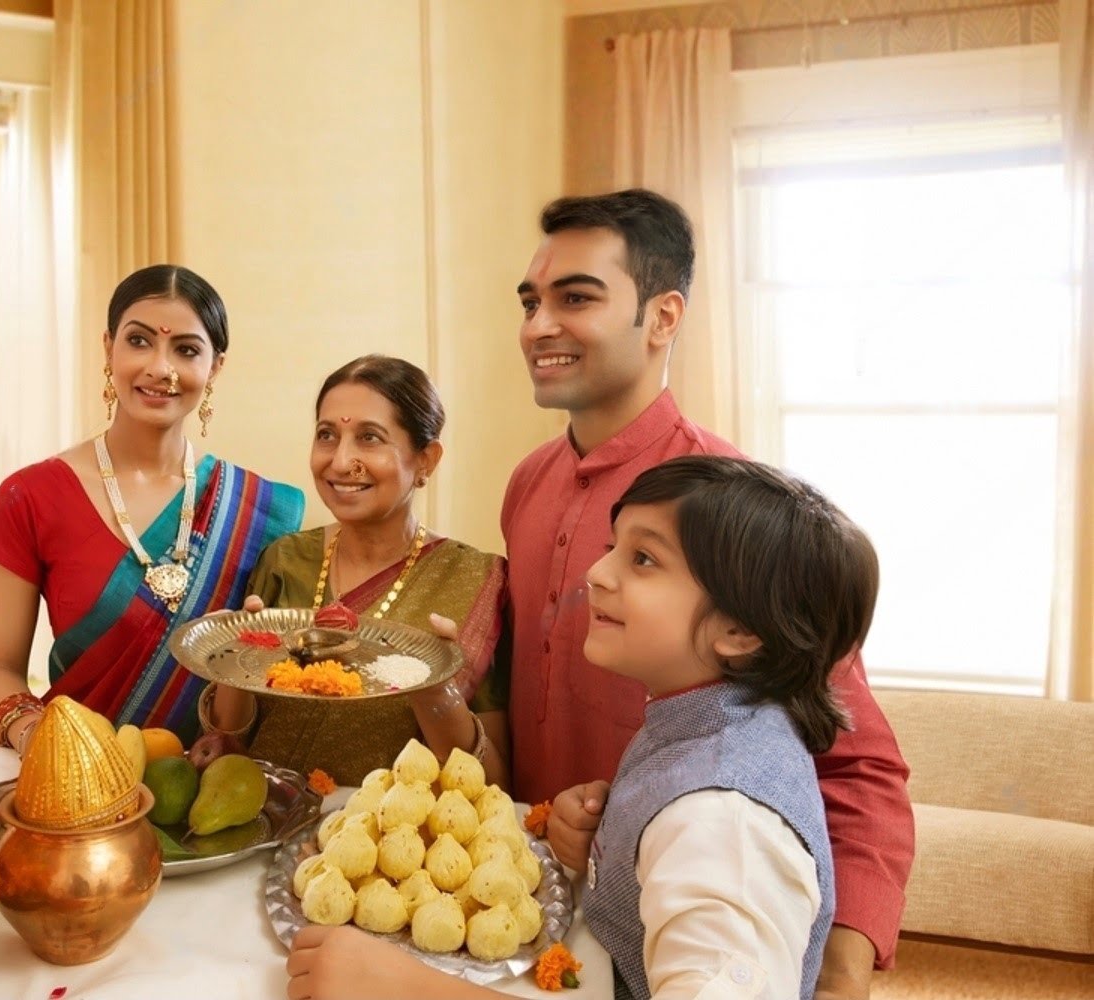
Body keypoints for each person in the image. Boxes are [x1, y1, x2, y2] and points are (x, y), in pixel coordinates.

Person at [503, 190, 912, 992]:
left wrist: (840, 966)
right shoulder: (527, 482)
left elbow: (858, 764)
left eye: (576, 298)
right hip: (546, 909)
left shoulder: (732, 523)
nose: (538, 325)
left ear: (662, 317)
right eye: (530, 301)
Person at [285, 456, 874, 1000]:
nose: (596, 572)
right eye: (613, 547)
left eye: (643, 559)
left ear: (741, 632)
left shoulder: (724, 822)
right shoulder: (703, 718)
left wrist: (402, 989)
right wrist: (611, 839)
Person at [0, 265, 304, 752]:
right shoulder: (32, 496)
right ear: (108, 347)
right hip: (76, 789)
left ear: (215, 367)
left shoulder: (258, 510)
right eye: (139, 341)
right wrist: (35, 737)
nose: (161, 368)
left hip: (213, 789)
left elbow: (272, 685)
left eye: (186, 350)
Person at [209, 355, 507, 786]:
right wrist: (234, 660)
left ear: (426, 459)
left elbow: (492, 780)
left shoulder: (474, 579)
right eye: (327, 435)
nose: (341, 460)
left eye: (369, 438)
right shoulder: (285, 561)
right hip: (266, 825)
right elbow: (228, 745)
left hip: (386, 840)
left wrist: (433, 684)